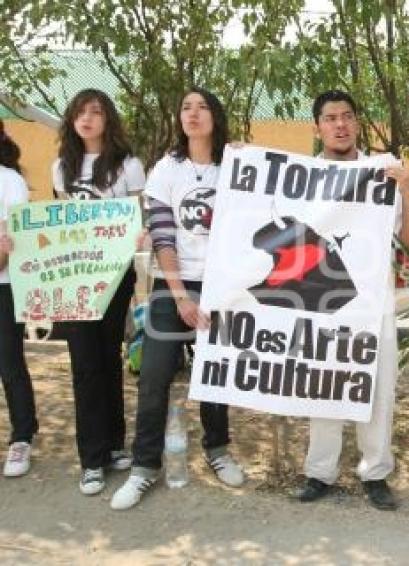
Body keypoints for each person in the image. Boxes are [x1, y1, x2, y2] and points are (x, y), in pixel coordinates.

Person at [111, 87, 244, 510]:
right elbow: (164, 235)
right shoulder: (167, 169)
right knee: (153, 376)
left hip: (222, 286)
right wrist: (180, 295)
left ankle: (218, 450)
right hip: (174, 286)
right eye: (185, 106)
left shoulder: (235, 166)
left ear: (216, 117)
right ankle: (144, 467)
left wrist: (250, 157)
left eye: (203, 106)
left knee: (216, 376)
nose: (193, 113)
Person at [293, 90, 409, 511]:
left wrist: (405, 190)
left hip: (374, 299)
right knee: (323, 383)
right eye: (330, 118)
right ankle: (320, 472)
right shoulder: (303, 177)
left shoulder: (382, 175)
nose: (340, 124)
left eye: (347, 116)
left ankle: (376, 473)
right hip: (320, 298)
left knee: (378, 386)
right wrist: (241, 160)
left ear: (357, 123)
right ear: (317, 127)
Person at [52, 89, 145, 495]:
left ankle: (113, 445)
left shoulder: (128, 166)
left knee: (109, 357)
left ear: (109, 120)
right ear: (71, 120)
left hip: (115, 274)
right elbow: (58, 222)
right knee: (84, 363)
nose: (87, 119)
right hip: (74, 277)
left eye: (96, 112)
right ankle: (91, 459)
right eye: (80, 113)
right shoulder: (62, 167)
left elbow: (137, 215)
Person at [0, 119, 38, 478]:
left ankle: (22, 436)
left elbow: (10, 244)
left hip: (4, 285)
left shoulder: (9, 181)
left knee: (8, 363)